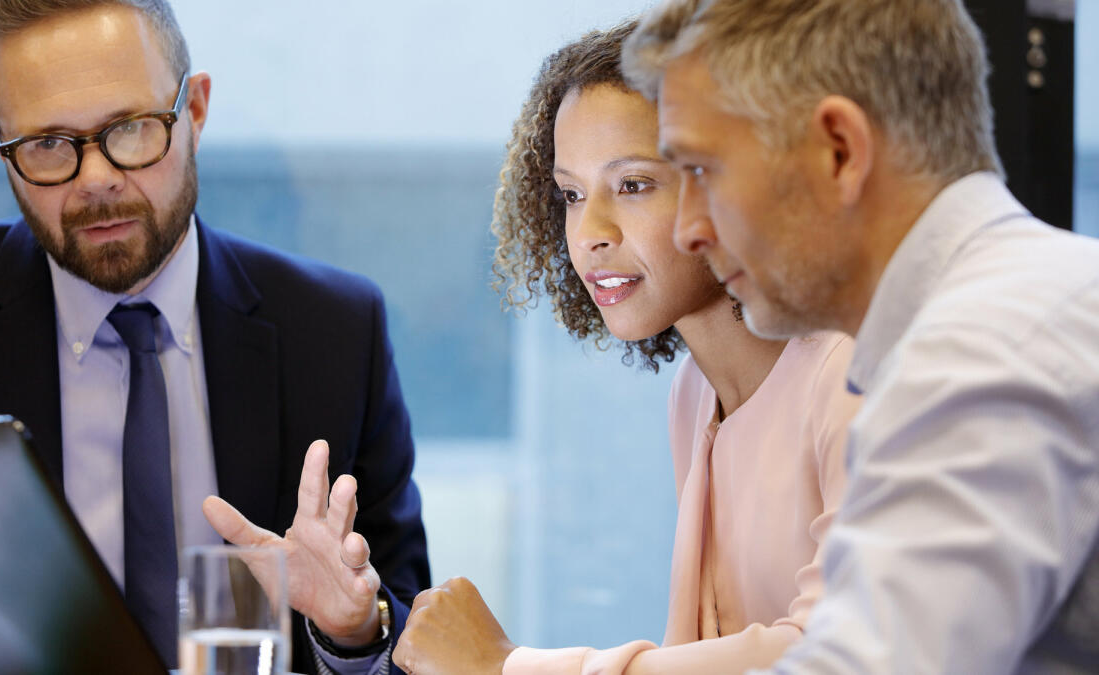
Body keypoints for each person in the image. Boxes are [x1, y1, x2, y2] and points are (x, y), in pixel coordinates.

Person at [0, 1, 429, 672]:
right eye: (48, 145)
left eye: (131, 129)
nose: (96, 179)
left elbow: (413, 632)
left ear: (196, 110)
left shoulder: (335, 332)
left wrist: (354, 627)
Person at [619, 0, 1099, 672]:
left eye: (703, 171)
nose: (688, 229)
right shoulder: (1042, 295)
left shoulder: (978, 353)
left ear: (839, 150)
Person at [393, 21, 859, 674]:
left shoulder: (848, 370)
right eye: (572, 194)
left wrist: (508, 665)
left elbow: (833, 649)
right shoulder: (693, 396)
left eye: (633, 184)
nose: (589, 233)